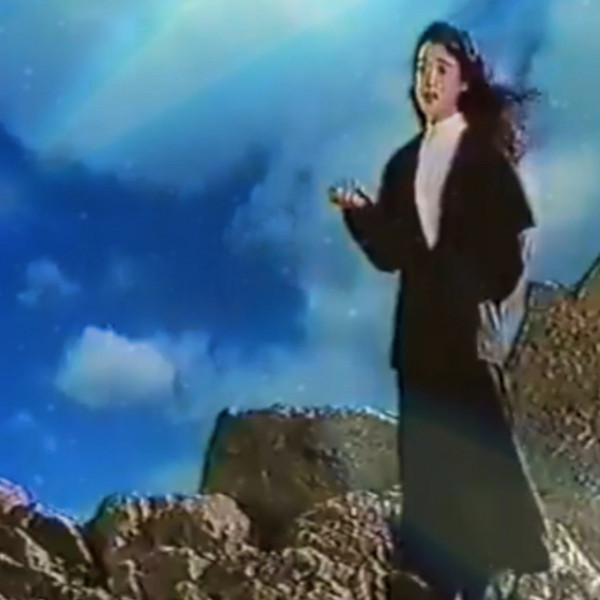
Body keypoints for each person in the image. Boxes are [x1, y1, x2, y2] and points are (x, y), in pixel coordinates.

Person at [329, 21, 549, 600]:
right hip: (417, 332)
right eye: (421, 67)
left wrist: (477, 290)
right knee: (424, 455)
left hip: (465, 329)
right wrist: (359, 213)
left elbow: (514, 238)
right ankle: (434, 578)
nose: (428, 79)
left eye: (441, 69)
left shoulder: (481, 154)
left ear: (463, 82)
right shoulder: (403, 163)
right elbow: (391, 255)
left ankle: (486, 576)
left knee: (475, 446)